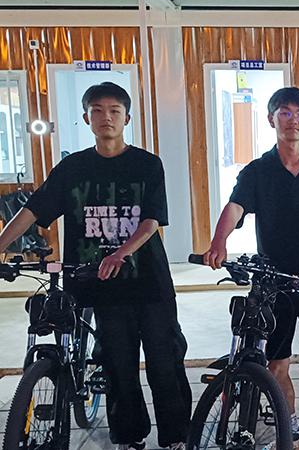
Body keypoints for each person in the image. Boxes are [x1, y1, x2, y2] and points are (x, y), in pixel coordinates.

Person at [0, 82, 191, 450]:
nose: (106, 117)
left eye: (114, 111)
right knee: (117, 366)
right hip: (99, 285)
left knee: (164, 361)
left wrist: (120, 253)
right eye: (98, 111)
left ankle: (176, 438)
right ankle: (128, 437)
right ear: (87, 118)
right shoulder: (73, 168)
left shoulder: (147, 164)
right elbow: (32, 211)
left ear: (127, 118)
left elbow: (151, 221)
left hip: (148, 282)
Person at [203, 86, 299, 450]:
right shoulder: (257, 171)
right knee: (276, 361)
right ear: (271, 120)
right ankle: (289, 424)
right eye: (285, 113)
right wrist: (219, 241)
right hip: (271, 279)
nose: (292, 120)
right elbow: (236, 206)